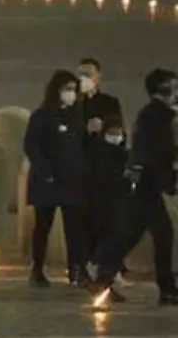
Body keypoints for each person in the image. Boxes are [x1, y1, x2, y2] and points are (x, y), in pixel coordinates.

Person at [90, 68, 178, 305]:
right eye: (174, 86)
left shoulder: (154, 113)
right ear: (164, 89)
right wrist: (168, 180)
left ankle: (103, 274)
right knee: (161, 234)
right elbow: (160, 151)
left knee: (133, 232)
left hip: (142, 181)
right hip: (147, 182)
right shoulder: (159, 115)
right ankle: (167, 289)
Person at [23, 69, 89, 287]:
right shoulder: (41, 115)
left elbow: (81, 145)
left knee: (75, 227)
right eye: (67, 89)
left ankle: (76, 269)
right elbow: (31, 145)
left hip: (72, 179)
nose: (71, 94)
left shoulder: (78, 116)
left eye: (74, 90)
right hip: (48, 180)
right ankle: (37, 268)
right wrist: (44, 170)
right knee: (43, 225)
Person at [85, 117, 131, 291]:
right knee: (110, 235)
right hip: (104, 201)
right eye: (112, 133)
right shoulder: (99, 152)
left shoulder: (122, 153)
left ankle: (110, 271)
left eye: (119, 133)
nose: (116, 137)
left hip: (118, 199)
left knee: (118, 236)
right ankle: (98, 266)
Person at [78, 58, 124, 137]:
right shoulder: (73, 103)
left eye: (88, 75)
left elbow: (118, 131)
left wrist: (103, 127)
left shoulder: (110, 102)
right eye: (81, 75)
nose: (84, 79)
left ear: (98, 76)